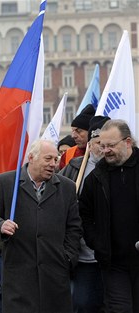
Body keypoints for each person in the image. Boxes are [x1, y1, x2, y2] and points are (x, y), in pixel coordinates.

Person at [0, 139, 82, 313]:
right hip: (19, 274)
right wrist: (0, 225)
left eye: (56, 159)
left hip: (55, 274)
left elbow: (74, 227)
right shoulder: (6, 182)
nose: (53, 164)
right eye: (48, 159)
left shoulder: (67, 187)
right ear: (31, 157)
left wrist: (67, 257)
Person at [79, 119, 139, 312]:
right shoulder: (95, 178)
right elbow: (84, 215)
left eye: (111, 145)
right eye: (103, 146)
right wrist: (97, 242)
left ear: (127, 142)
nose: (105, 151)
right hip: (114, 263)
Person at [60, 116, 110, 312]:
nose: (103, 148)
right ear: (90, 144)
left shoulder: (121, 167)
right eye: (99, 143)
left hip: (114, 255)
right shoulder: (73, 168)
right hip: (83, 255)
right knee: (83, 303)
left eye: (107, 143)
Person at [59, 105, 95, 169]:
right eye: (73, 131)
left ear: (90, 132)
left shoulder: (101, 153)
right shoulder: (67, 154)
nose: (73, 136)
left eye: (78, 131)